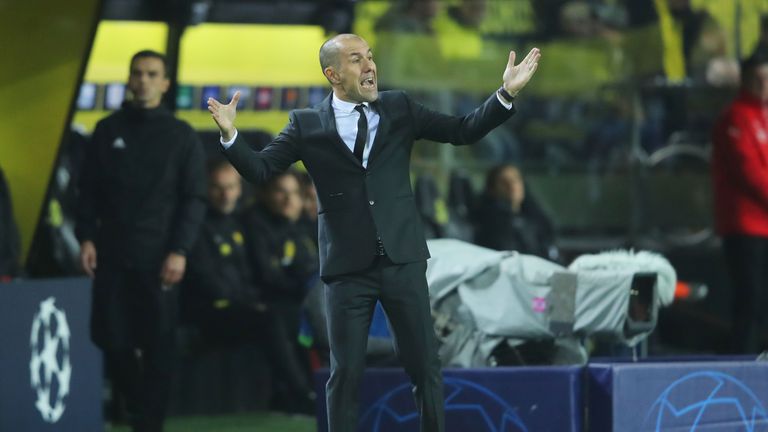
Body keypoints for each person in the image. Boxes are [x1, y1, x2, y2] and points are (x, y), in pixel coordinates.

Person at [207, 33, 540, 432]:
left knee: (425, 366)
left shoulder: (399, 107)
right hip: (347, 269)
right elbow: (262, 170)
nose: (369, 66)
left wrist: (504, 93)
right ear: (333, 74)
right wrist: (230, 134)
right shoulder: (306, 124)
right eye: (355, 60)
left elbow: (462, 130)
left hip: (403, 259)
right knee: (345, 372)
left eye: (369, 56)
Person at [75, 50, 206, 432]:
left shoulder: (181, 136)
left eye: (152, 74)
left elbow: (193, 199)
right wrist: (85, 237)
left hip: (159, 257)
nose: (143, 80)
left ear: (165, 84)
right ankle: (138, 409)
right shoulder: (106, 129)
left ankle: (148, 424)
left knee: (158, 347)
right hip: (112, 254)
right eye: (137, 73)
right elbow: (88, 193)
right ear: (129, 79)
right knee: (110, 339)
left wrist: (180, 250)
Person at [183, 159, 315, 413]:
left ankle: (309, 390)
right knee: (270, 318)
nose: (225, 194)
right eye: (218, 187)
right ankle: (302, 395)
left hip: (243, 305)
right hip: (211, 312)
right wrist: (250, 300)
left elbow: (247, 276)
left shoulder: (236, 223)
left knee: (297, 316)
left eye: (231, 187)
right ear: (205, 188)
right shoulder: (197, 225)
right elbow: (208, 281)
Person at [712, 46, 768, 354]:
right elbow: (749, 173)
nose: (764, 86)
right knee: (750, 300)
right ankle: (744, 366)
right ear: (745, 80)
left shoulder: (763, 117)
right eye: (758, 79)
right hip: (745, 226)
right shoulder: (734, 118)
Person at [473, 163, 558, 261]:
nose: (512, 185)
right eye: (504, 182)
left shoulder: (537, 220)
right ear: (492, 189)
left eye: (516, 179)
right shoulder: (487, 223)